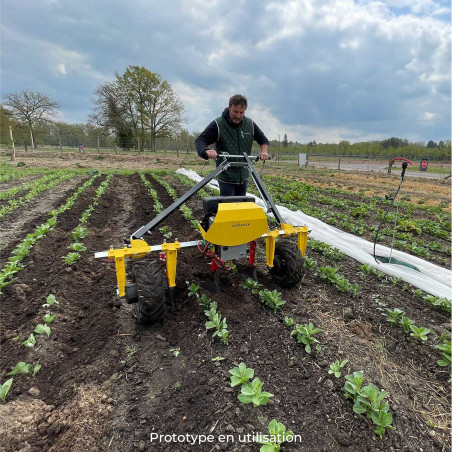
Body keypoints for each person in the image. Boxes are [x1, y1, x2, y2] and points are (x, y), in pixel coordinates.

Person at [195, 94, 269, 196]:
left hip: (243, 174)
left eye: (241, 113)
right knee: (228, 206)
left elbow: (263, 139)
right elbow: (200, 140)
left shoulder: (249, 124)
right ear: (229, 108)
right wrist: (206, 151)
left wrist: (264, 151)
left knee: (240, 206)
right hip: (226, 175)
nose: (238, 116)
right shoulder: (218, 124)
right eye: (235, 112)